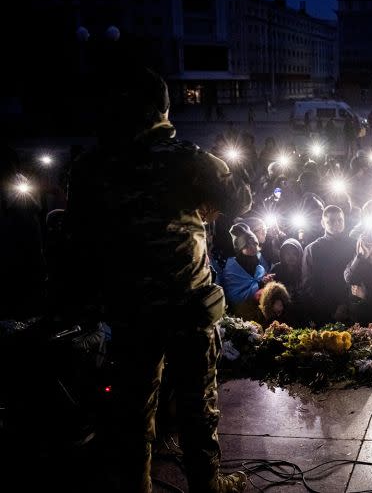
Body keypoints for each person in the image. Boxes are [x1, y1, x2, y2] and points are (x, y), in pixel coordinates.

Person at [66, 67, 250, 491]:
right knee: (196, 406)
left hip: (129, 311)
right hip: (187, 308)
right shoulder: (190, 159)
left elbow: (75, 240)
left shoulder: (91, 167)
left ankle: (138, 484)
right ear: (164, 110)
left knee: (133, 408)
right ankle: (206, 485)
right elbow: (239, 199)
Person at [301, 205, 356, 325]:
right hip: (325, 314)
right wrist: (332, 310)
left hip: (353, 310)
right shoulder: (313, 249)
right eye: (331, 221)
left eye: (340, 220)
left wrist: (347, 304)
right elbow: (309, 284)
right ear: (322, 223)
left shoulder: (354, 245)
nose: (336, 224)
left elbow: (359, 276)